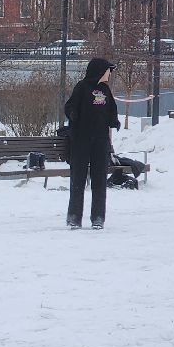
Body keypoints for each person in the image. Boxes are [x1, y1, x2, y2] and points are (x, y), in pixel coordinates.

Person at [64, 57, 120, 230]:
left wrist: (113, 121)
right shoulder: (82, 87)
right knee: (78, 180)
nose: (109, 74)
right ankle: (74, 216)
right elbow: (70, 106)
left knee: (99, 180)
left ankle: (98, 217)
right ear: (99, 71)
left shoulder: (105, 90)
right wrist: (73, 114)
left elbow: (111, 109)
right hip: (81, 140)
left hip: (100, 141)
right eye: (107, 71)